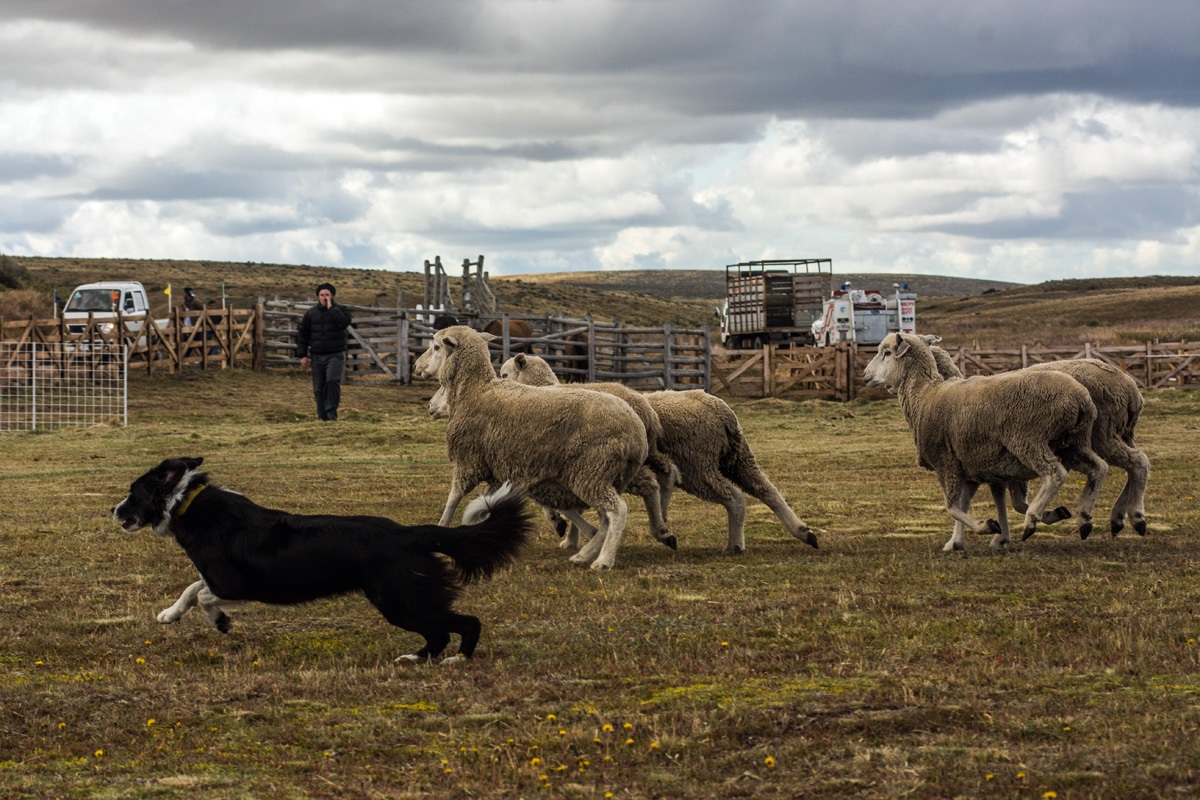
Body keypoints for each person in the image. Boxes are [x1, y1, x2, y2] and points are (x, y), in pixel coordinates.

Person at [296, 282, 352, 421]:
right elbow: (303, 334)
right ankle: (322, 415)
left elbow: (344, 323)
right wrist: (303, 355)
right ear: (318, 296)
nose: (324, 297)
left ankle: (331, 413)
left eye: (327, 295)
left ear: (332, 296)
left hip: (335, 354)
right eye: (322, 295)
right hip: (317, 355)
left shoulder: (341, 310)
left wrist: (331, 309)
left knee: (332, 381)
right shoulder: (311, 313)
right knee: (318, 387)